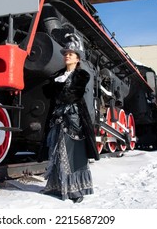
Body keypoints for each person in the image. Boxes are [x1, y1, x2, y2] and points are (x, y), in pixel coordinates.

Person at [41, 38, 99, 203]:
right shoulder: (59, 75)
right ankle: (57, 187)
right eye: (66, 53)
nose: (67, 56)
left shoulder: (81, 75)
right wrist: (56, 84)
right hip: (57, 118)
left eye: (71, 54)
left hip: (73, 119)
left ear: (77, 58)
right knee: (57, 152)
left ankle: (77, 190)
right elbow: (47, 93)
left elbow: (71, 95)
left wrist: (57, 86)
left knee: (74, 153)